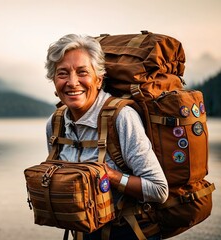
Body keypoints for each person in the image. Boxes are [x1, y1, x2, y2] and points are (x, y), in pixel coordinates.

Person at [44, 34, 168, 240]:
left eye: (82, 72)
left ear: (98, 79)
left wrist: (111, 176)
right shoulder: (55, 124)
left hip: (129, 233)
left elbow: (159, 189)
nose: (72, 82)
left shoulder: (122, 118)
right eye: (62, 73)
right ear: (54, 81)